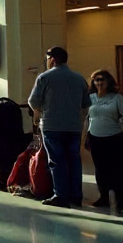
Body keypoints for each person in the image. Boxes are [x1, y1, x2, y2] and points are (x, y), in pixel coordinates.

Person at [28, 46, 91, 208]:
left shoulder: (45, 77)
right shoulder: (79, 78)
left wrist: (38, 114)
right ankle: (76, 195)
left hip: (52, 125)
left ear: (52, 59)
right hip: (74, 126)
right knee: (74, 160)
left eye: (47, 59)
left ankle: (61, 195)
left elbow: (34, 101)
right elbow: (86, 104)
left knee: (57, 161)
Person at [86, 69, 123, 208]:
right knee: (100, 168)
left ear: (108, 81)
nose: (99, 82)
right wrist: (84, 137)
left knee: (116, 168)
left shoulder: (117, 97)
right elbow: (86, 118)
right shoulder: (90, 98)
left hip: (114, 137)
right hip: (95, 136)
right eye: (97, 80)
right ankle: (103, 197)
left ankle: (120, 199)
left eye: (102, 79)